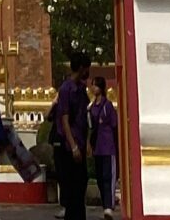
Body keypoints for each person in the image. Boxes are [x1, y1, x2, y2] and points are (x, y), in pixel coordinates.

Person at [50, 50, 91, 220]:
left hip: (79, 141)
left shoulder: (81, 89)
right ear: (81, 68)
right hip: (68, 146)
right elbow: (65, 119)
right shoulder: (66, 89)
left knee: (80, 185)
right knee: (72, 189)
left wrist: (86, 142)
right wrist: (73, 146)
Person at [87, 69, 119, 215]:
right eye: (92, 85)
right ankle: (105, 205)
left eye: (95, 85)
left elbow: (114, 125)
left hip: (108, 146)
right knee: (100, 178)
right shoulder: (92, 107)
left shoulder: (107, 106)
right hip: (98, 147)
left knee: (108, 176)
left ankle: (109, 206)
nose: (93, 88)